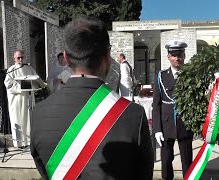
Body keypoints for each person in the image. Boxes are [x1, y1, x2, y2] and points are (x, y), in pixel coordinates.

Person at [30, 17, 154, 180]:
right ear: (108, 55)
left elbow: (45, 171)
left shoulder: (39, 113)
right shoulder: (134, 114)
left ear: (66, 58)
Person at [152, 40, 193, 180]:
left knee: (187, 161)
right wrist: (157, 129)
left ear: (184, 55)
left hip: (185, 124)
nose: (177, 58)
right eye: (174, 55)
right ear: (168, 56)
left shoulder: (191, 75)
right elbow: (156, 105)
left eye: (180, 54)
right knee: (166, 160)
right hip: (166, 124)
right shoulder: (161, 76)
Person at [4, 50, 40, 148]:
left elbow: (37, 80)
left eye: (22, 57)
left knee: (28, 119)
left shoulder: (29, 68)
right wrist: (21, 85)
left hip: (27, 98)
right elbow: (8, 84)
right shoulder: (11, 70)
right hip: (17, 99)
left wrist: (36, 84)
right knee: (18, 119)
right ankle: (19, 143)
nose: (20, 59)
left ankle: (29, 141)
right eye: (18, 58)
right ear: (14, 58)